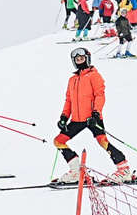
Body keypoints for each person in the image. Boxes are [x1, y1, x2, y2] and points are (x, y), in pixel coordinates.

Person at [53, 46, 129, 181]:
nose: (80, 61)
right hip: (77, 119)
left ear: (87, 59)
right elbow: (69, 100)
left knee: (103, 142)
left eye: (82, 58)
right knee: (59, 141)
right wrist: (64, 117)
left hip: (92, 118)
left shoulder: (94, 76)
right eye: (77, 59)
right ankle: (77, 171)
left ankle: (124, 170)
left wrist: (96, 113)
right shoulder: (73, 79)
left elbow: (100, 95)